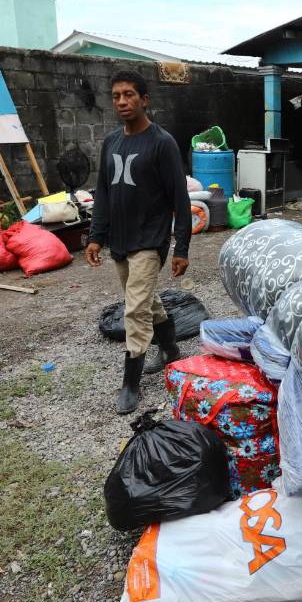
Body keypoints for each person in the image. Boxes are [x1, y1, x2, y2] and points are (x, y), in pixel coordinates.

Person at [85, 70, 192, 415]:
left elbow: (180, 197)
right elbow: (102, 192)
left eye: (129, 94)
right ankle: (171, 349)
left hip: (150, 240)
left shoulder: (162, 143)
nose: (122, 101)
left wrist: (182, 247)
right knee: (145, 301)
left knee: (134, 309)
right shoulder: (112, 142)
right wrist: (95, 236)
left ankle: (130, 383)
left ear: (145, 100)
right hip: (120, 240)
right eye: (116, 96)